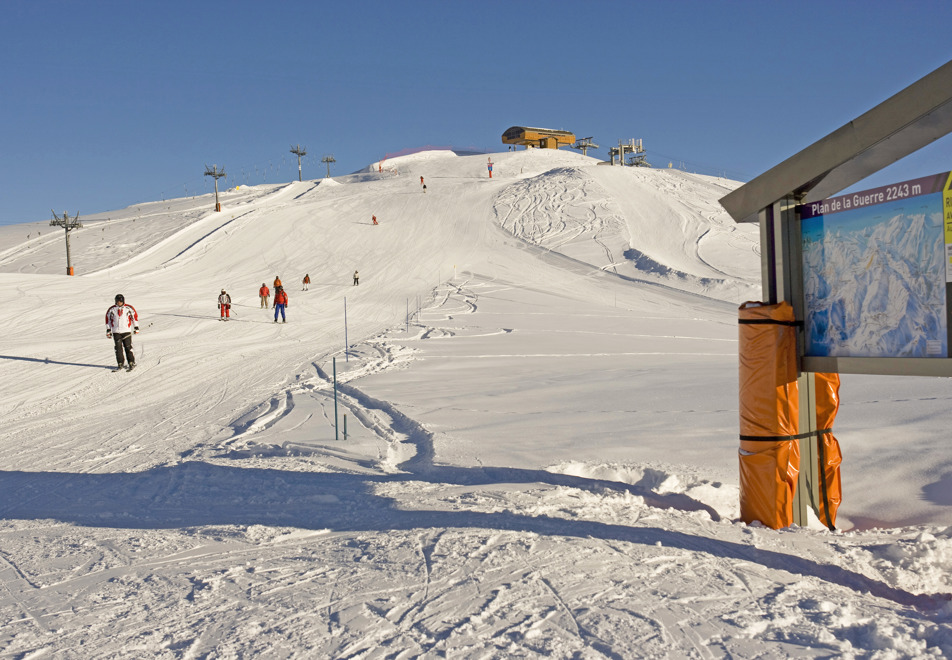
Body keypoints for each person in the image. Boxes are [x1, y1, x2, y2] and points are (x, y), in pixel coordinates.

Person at [105, 293, 139, 371]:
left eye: (120, 301)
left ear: (123, 301)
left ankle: (131, 362)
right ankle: (120, 363)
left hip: (126, 331)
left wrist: (136, 327)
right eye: (117, 301)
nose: (119, 303)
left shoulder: (128, 308)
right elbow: (108, 320)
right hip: (116, 331)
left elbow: (134, 317)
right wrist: (108, 330)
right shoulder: (111, 309)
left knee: (128, 347)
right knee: (118, 348)